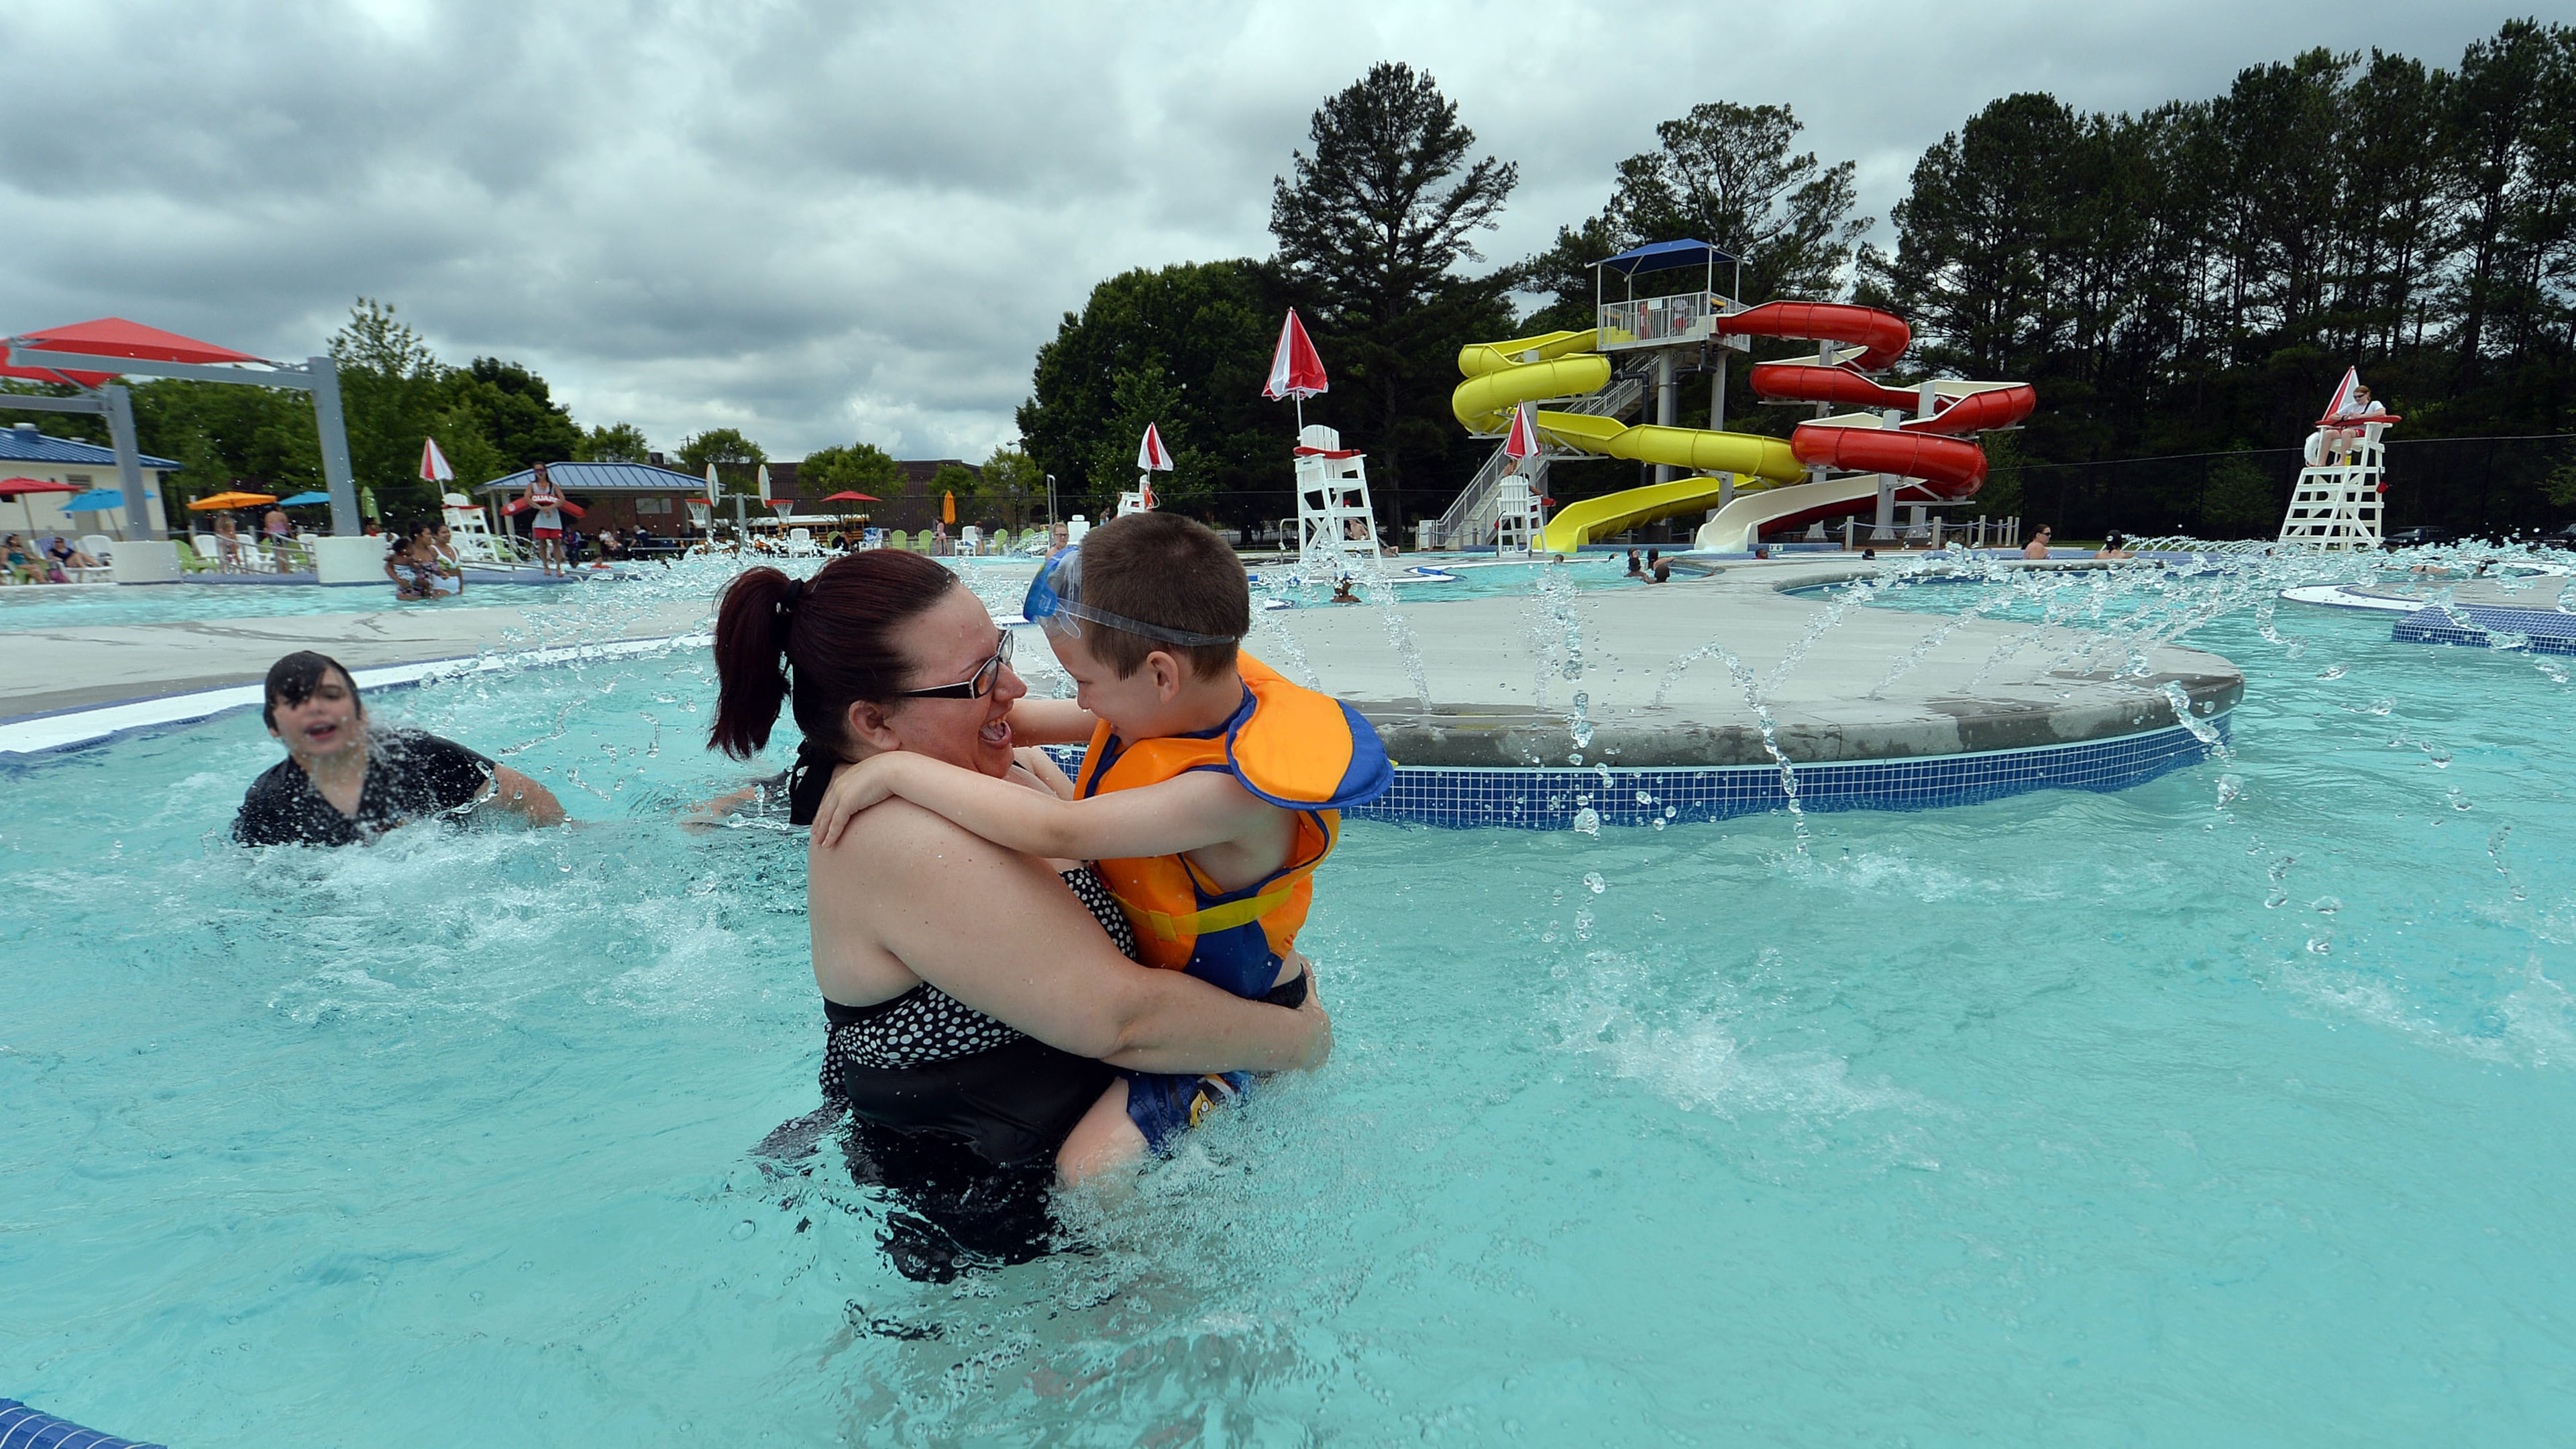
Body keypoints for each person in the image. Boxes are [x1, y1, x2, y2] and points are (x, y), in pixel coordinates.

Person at [705, 553, 1330, 1228]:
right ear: (876, 726)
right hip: (1000, 1251)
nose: (1016, 685)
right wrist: (1298, 1039)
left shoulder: (995, 766)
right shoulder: (893, 836)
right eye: (979, 678)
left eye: (999, 651)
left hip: (1119, 1163)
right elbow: (1121, 1018)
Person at [810, 513, 1387, 1181]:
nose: (1025, 693)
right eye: (983, 677)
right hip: (1204, 993)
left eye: (1080, 682)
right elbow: (1021, 724)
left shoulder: (1227, 791)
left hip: (1243, 1009)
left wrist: (899, 767)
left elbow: (1061, 832)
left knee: (1093, 1172)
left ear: (1161, 676)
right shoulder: (1171, 702)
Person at [233, 651, 565, 847]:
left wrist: (567, 842)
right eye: (294, 701)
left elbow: (530, 798)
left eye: (330, 695)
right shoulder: (269, 801)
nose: (315, 708)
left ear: (360, 714)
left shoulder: (420, 757)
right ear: (273, 727)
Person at [519, 464, 570, 578]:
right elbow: (527, 498)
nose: (540, 472)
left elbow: (562, 499)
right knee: (542, 542)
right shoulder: (532, 486)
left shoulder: (553, 486)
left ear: (546, 471)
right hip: (540, 517)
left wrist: (550, 508)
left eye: (541, 470)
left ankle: (558, 567)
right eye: (537, 470)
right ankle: (545, 566)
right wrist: (541, 508)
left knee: (556, 542)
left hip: (553, 517)